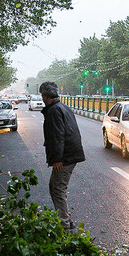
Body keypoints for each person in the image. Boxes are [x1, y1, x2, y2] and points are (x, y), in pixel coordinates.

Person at [39, 81, 85, 232]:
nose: (42, 98)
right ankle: (66, 219)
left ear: (45, 96)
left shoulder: (53, 111)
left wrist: (57, 159)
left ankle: (64, 224)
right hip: (71, 153)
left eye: (42, 96)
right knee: (54, 187)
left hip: (66, 156)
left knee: (58, 188)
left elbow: (58, 136)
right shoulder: (63, 107)